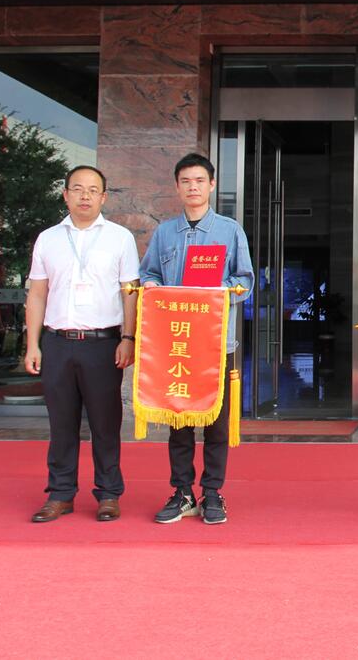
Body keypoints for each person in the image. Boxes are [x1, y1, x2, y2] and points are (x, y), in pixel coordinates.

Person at [139, 153, 254, 525]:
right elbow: (148, 274)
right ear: (177, 187)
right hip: (178, 344)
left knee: (216, 424)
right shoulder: (164, 233)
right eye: (186, 181)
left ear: (212, 185)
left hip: (217, 344)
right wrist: (152, 286)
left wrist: (216, 292)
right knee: (180, 423)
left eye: (200, 180)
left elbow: (245, 281)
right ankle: (182, 492)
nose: (193, 187)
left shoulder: (230, 231)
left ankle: (213, 492)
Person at [25, 166, 140, 522]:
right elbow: (37, 294)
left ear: (103, 197)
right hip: (58, 342)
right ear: (66, 195)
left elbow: (130, 293)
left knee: (106, 423)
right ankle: (60, 494)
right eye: (77, 188)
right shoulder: (48, 239)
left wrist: (128, 338)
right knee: (61, 423)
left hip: (102, 343)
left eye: (92, 190)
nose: (85, 195)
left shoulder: (120, 238)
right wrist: (32, 344)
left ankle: (109, 494)